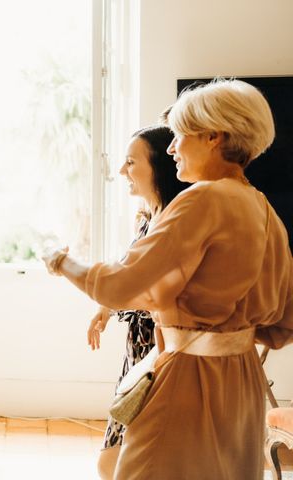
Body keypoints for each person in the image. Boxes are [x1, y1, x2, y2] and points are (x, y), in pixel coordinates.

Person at [44, 79, 293, 479]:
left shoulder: (203, 198)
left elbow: (118, 285)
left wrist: (60, 261)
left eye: (179, 135)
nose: (172, 147)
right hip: (243, 381)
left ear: (214, 136)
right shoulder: (263, 209)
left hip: (190, 380)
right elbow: (282, 327)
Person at [87, 125, 189, 480]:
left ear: (159, 166)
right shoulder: (149, 217)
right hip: (138, 355)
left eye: (131, 162)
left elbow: (161, 290)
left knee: (119, 463)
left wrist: (111, 295)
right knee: (113, 461)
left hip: (161, 358)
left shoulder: (176, 222)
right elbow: (130, 271)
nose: (121, 171)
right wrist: (107, 306)